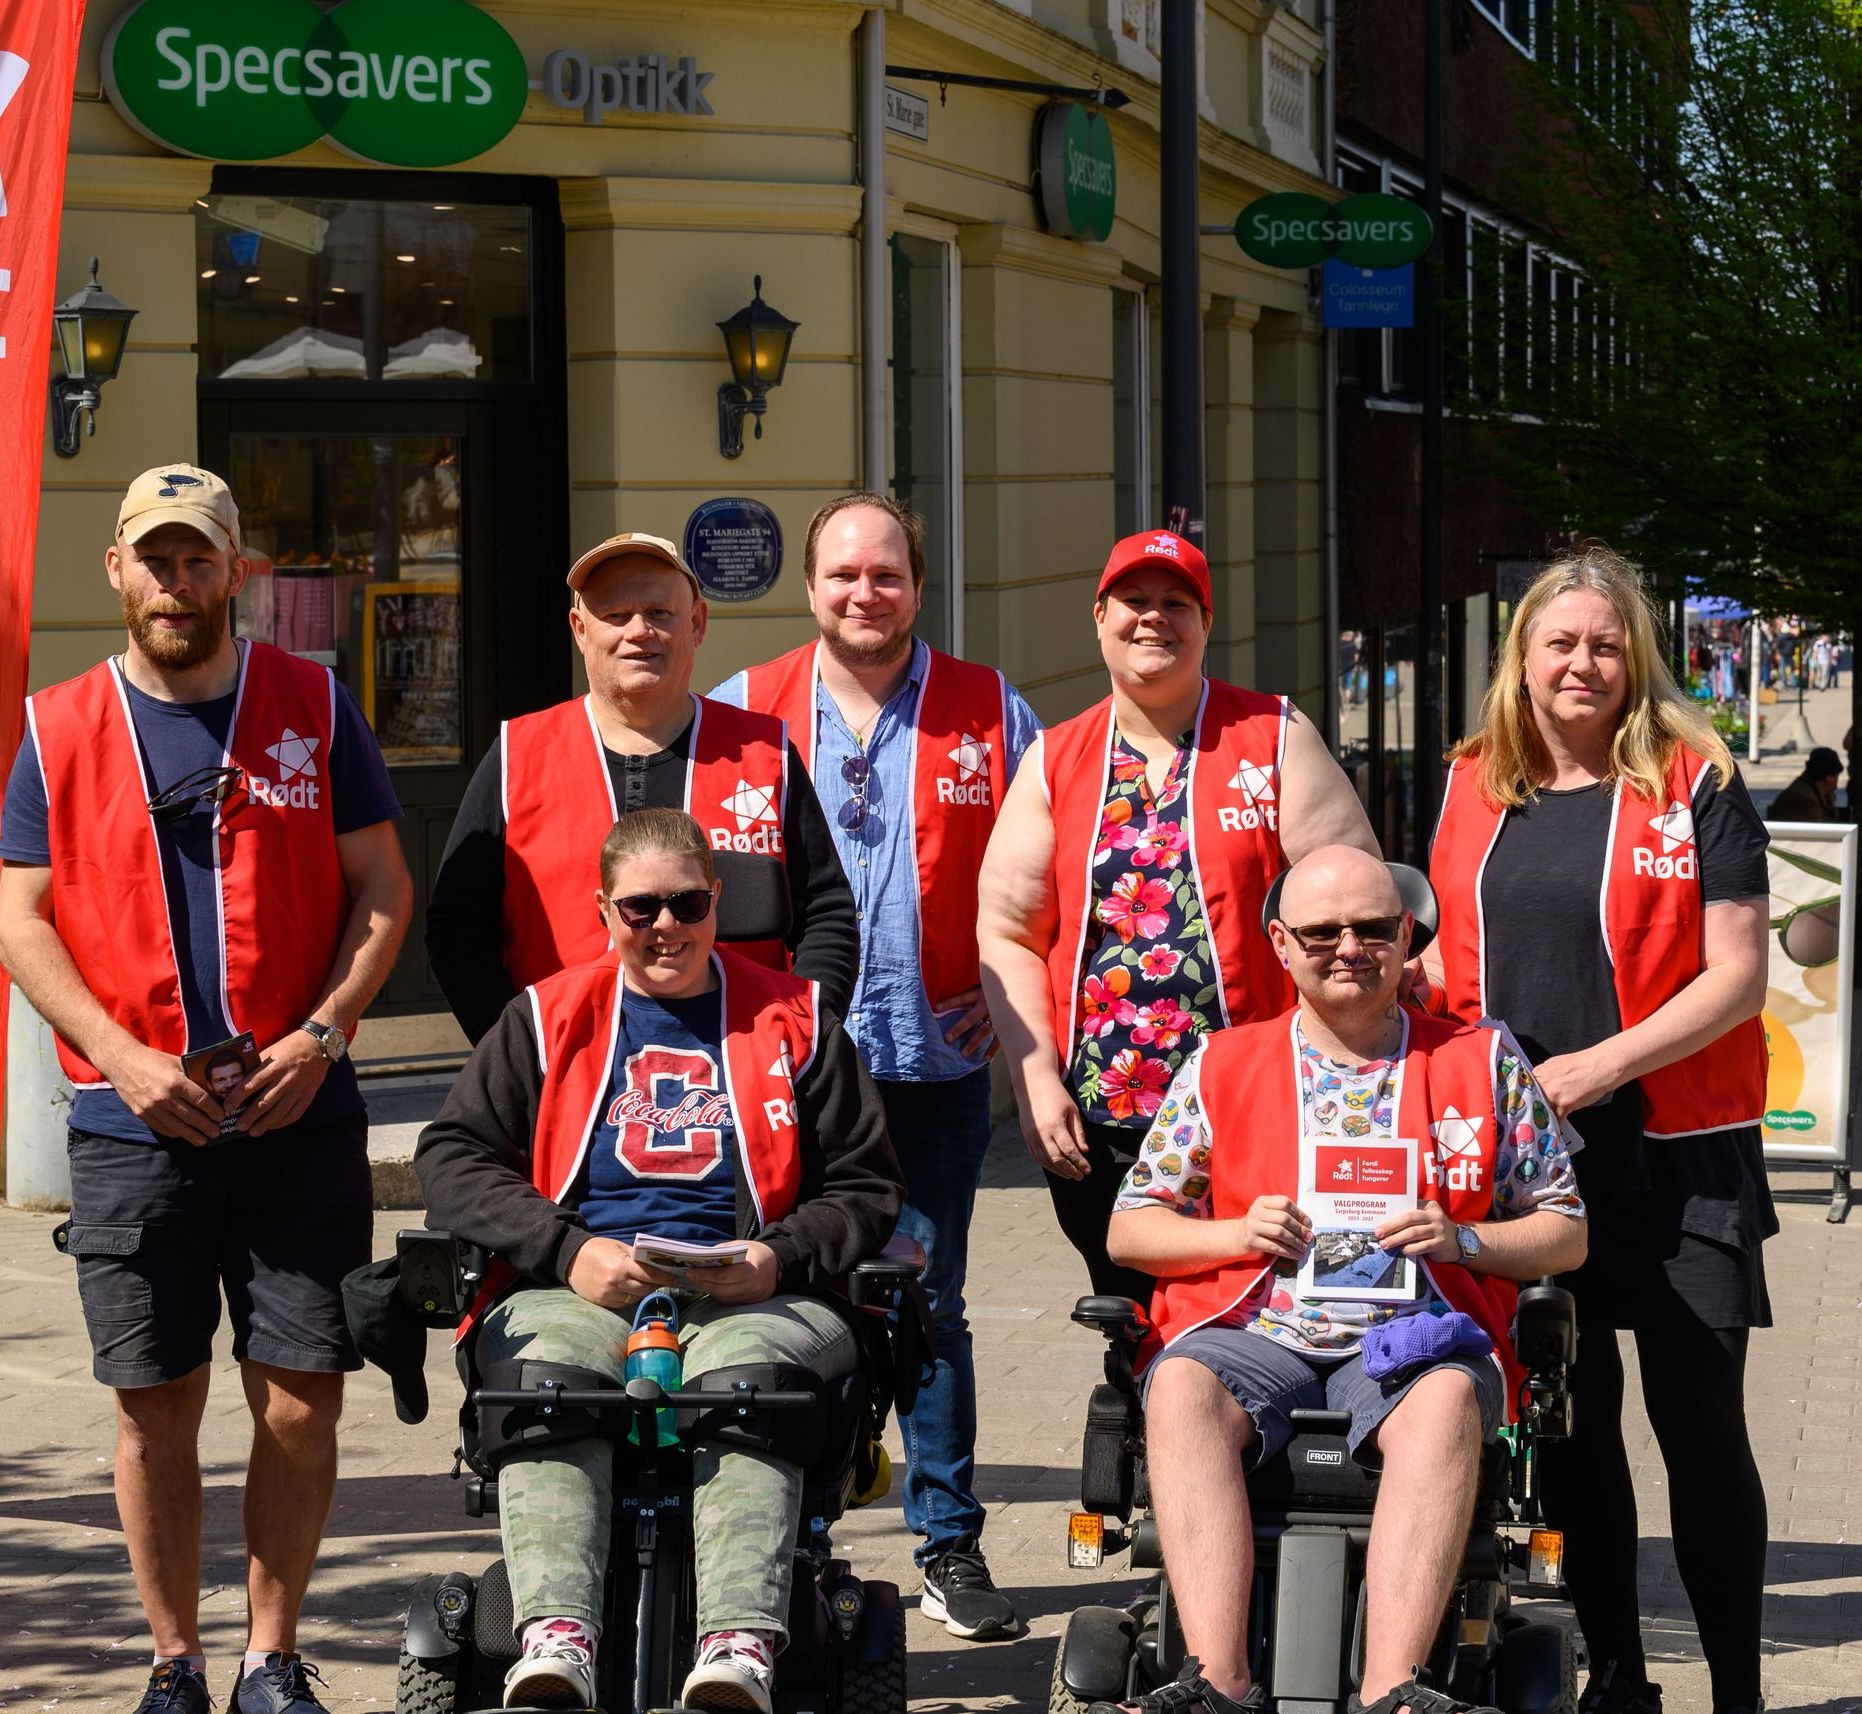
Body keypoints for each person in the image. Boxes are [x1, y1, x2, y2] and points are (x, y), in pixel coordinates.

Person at [0, 465, 414, 1714]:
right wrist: (119, 1055)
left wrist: (324, 1034)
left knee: (301, 1398)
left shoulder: (313, 704)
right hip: (134, 1122)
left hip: (298, 1113)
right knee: (152, 1404)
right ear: (116, 570)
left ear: (238, 571)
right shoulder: (57, 724)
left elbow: (382, 888)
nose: (176, 584)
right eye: (155, 559)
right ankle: (173, 1660)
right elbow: (19, 918)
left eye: (198, 560)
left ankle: (269, 1658)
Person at [415, 810, 902, 1713]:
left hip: (758, 1292)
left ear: (717, 901)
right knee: (548, 1378)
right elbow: (450, 1157)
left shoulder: (797, 1018)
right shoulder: (545, 1017)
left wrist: (777, 1257)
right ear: (604, 911)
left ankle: (738, 1645)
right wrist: (567, 1250)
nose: (665, 925)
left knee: (746, 1385)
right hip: (580, 1285)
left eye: (687, 903)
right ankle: (557, 1638)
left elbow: (868, 1186)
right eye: (641, 908)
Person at [1098, 846, 1587, 1714]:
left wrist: (1464, 1240)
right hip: (1257, 1332)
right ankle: (1217, 1684)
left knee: (1444, 1401)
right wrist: (1233, 1233)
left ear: (1406, 936)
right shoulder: (1221, 1064)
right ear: (1282, 944)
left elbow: (1567, 1231)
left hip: (1414, 1340)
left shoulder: (1482, 1060)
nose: (1349, 948)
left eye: (1372, 928)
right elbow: (1130, 1229)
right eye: (1322, 932)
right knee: (1177, 1387)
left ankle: (1392, 1690)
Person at [1423, 547, 1773, 1714]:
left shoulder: (1694, 779)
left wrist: (1598, 1066)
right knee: (1570, 1431)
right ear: (1519, 658)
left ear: (1636, 659)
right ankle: (1617, 1674)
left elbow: (1735, 975)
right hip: (1531, 1169)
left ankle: (1735, 1692)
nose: (1581, 663)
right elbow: (1450, 957)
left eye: (1604, 644)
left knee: (1700, 1429)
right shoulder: (1470, 780)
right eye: (1559, 642)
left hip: (1677, 1155)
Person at [710, 491, 1042, 1640]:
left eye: (886, 573)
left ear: (915, 586)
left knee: (927, 1300)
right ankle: (795, 1538)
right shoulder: (740, 711)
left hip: (932, 1057)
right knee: (790, 1293)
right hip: (783, 1072)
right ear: (810, 587)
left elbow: (1045, 870)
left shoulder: (989, 708)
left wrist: (1010, 993)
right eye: (844, 574)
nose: (865, 592)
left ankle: (947, 1542)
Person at [977, 529, 1378, 1307]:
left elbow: (1357, 908)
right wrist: (1033, 1080)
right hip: (1105, 1119)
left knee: (1256, 1311)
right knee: (1129, 1315)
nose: (1153, 617)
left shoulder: (1273, 736)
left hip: (1259, 1105)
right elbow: (1009, 930)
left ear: (1205, 623)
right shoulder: (1055, 759)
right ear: (1100, 617)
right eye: (1133, 600)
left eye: (1176, 603)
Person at [425, 532, 857, 1045]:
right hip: (565, 1070)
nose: (638, 631)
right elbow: (457, 927)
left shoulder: (765, 753)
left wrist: (799, 1038)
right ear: (579, 629)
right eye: (615, 615)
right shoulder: (518, 754)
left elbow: (827, 915)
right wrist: (515, 1053)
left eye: (659, 612)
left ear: (696, 623)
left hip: (741, 1072)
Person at [1766, 745, 1843, 822]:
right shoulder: (1806, 802)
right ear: (1829, 777)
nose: (1837, 780)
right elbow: (1814, 828)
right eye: (1836, 775)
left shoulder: (1815, 793)